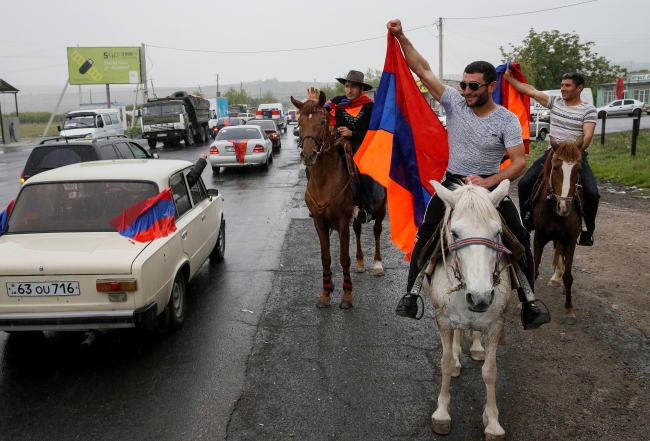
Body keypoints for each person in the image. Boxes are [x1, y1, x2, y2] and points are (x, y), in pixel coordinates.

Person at [387, 19, 549, 329]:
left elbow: (518, 164)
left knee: (519, 236)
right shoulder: (453, 103)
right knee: (427, 234)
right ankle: (411, 294)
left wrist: (488, 182)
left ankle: (529, 302)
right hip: (452, 183)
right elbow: (422, 69)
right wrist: (401, 36)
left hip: (490, 188)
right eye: (463, 84)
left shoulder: (507, 120)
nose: (466, 91)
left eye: (473, 86)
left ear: (491, 86)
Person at [504, 70, 598, 246]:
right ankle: (528, 220)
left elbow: (587, 136)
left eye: (567, 85)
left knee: (592, 193)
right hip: (552, 155)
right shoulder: (555, 103)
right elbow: (529, 90)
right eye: (562, 85)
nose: (563, 89)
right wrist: (509, 79)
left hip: (576, 157)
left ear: (579, 88)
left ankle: (587, 230)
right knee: (525, 183)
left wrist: (574, 154)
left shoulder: (589, 110)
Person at [307, 70, 375, 223]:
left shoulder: (369, 106)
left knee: (364, 170)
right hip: (338, 141)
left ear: (361, 89)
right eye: (347, 86)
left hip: (360, 143)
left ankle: (368, 209)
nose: (349, 90)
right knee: (312, 164)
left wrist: (352, 133)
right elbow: (318, 111)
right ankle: (315, 202)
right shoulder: (337, 102)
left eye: (354, 87)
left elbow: (373, 133)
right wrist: (312, 103)